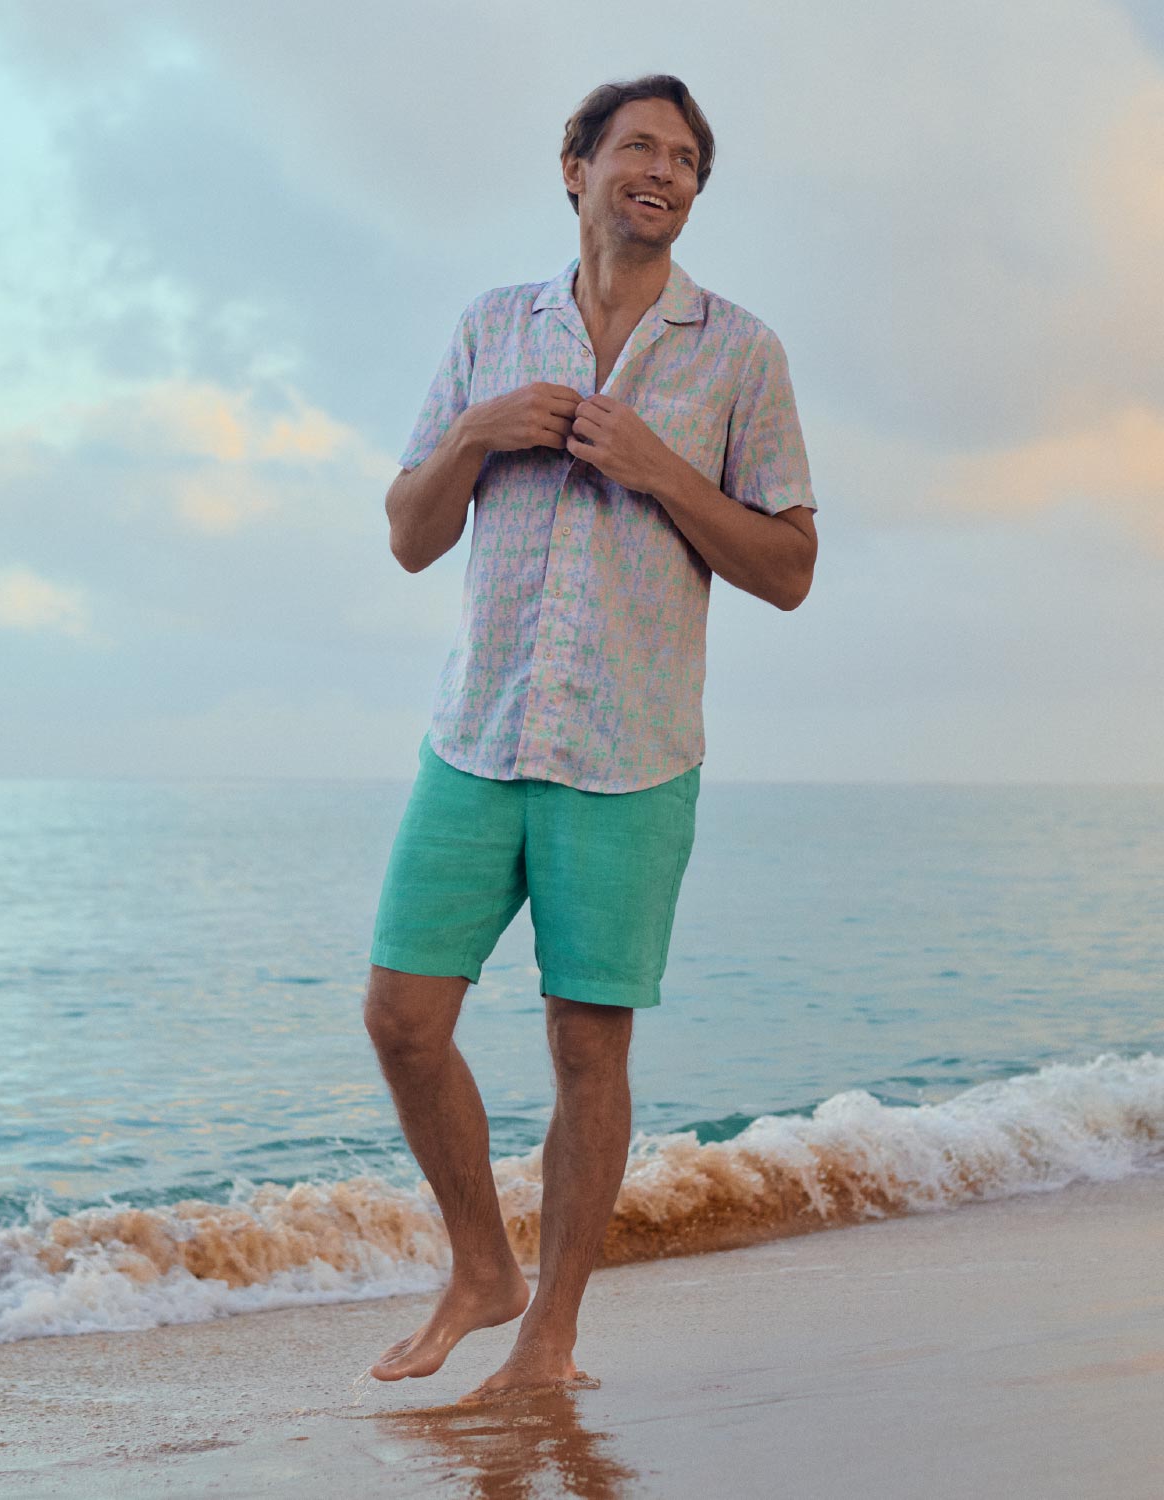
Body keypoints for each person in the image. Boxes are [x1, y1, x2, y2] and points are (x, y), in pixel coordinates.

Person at [363, 73, 818, 1402]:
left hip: (631, 752)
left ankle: (549, 1338)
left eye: (685, 160)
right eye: (638, 147)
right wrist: (476, 434)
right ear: (576, 166)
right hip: (476, 731)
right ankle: (481, 1267)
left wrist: (659, 469)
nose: (662, 172)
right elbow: (409, 536)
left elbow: (790, 568)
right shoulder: (492, 326)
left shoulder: (741, 353)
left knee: (586, 1049)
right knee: (401, 1018)